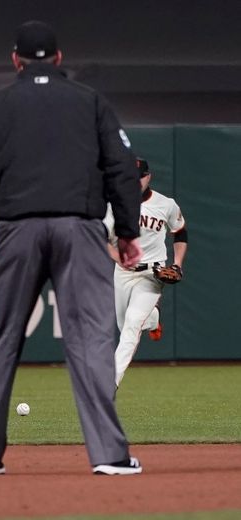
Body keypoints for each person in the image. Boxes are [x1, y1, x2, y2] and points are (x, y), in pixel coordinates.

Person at [0, 20, 144, 475]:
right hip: (78, 229)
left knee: (4, 343)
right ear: (59, 58)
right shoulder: (90, 101)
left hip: (16, 231)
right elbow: (121, 168)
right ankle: (109, 457)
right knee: (91, 340)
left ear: (15, 59)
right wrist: (126, 231)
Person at [104, 157, 188, 386]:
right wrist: (116, 258)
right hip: (122, 272)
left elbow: (180, 232)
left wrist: (177, 264)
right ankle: (154, 318)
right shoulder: (114, 204)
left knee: (131, 325)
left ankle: (109, 385)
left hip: (153, 274)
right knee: (125, 326)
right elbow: (100, 238)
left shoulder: (165, 204)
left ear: (148, 176)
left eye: (139, 177)